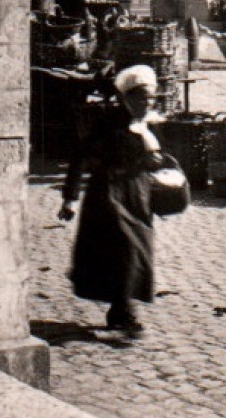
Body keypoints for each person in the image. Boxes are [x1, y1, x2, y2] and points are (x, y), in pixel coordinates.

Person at [59, 63, 163, 336]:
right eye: (141, 99)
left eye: (150, 99)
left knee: (138, 250)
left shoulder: (149, 124)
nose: (146, 104)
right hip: (109, 193)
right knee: (126, 249)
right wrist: (70, 198)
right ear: (125, 98)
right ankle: (125, 312)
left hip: (138, 195)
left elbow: (157, 160)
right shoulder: (108, 123)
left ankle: (120, 308)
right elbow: (80, 157)